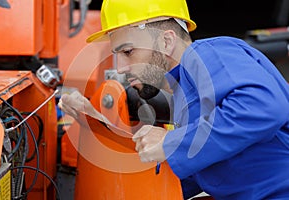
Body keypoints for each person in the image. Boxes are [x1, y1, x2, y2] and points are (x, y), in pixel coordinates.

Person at [58, 0, 289, 199]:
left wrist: (172, 141)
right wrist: (99, 123)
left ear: (166, 42)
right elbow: (180, 179)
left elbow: (264, 107)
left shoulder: (207, 53)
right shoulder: (185, 103)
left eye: (128, 52)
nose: (121, 68)